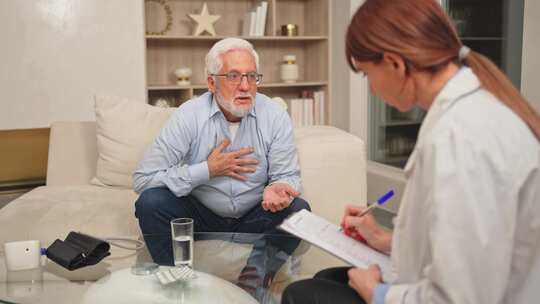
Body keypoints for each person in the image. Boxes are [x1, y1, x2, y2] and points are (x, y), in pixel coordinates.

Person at [282, 0, 540, 303]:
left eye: (366, 74)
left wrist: (377, 293)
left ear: (394, 63)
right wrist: (384, 240)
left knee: (302, 295)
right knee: (327, 280)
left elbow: (461, 297)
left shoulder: (461, 138)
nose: (373, 91)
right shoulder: (472, 111)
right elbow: (466, 243)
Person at [133, 38, 310, 297]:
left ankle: (253, 283)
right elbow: (143, 179)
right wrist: (207, 170)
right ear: (211, 82)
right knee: (150, 203)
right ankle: (178, 283)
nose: (245, 86)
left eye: (251, 76)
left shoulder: (274, 116)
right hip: (200, 216)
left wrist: (279, 188)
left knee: (299, 212)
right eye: (234, 76)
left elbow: (287, 176)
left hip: (254, 212)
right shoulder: (188, 116)